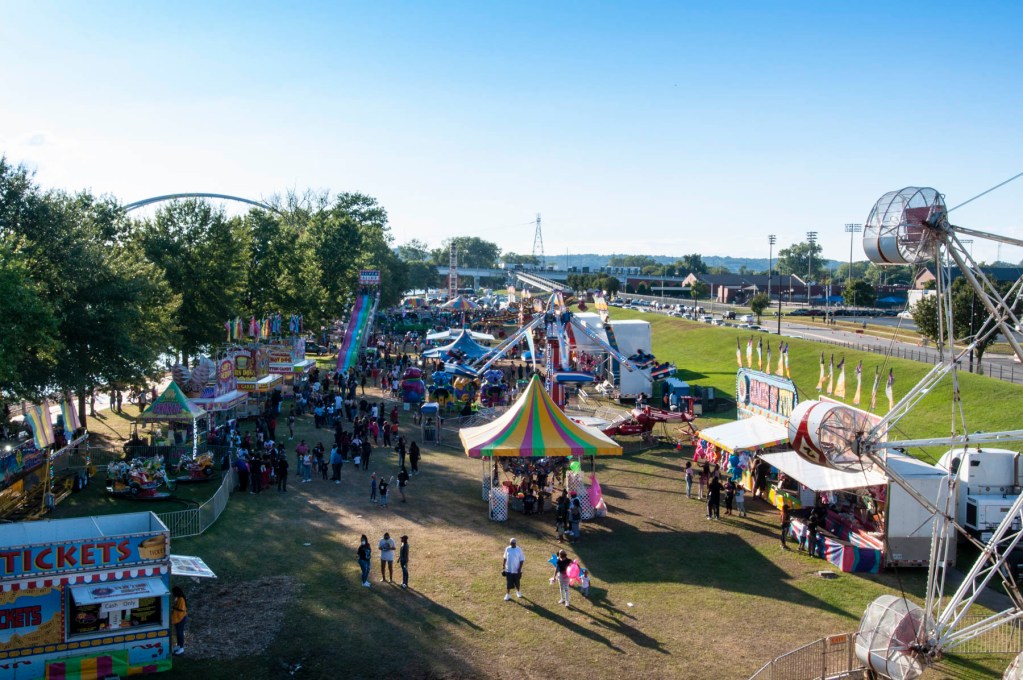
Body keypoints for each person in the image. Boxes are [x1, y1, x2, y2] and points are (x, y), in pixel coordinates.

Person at [171, 586, 188, 655]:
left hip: (181, 617)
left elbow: (181, 609)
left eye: (173, 592)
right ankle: (178, 646)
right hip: (178, 617)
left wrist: (173, 608)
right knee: (178, 632)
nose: (172, 594)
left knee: (180, 632)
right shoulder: (178, 598)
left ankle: (181, 648)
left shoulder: (181, 599)